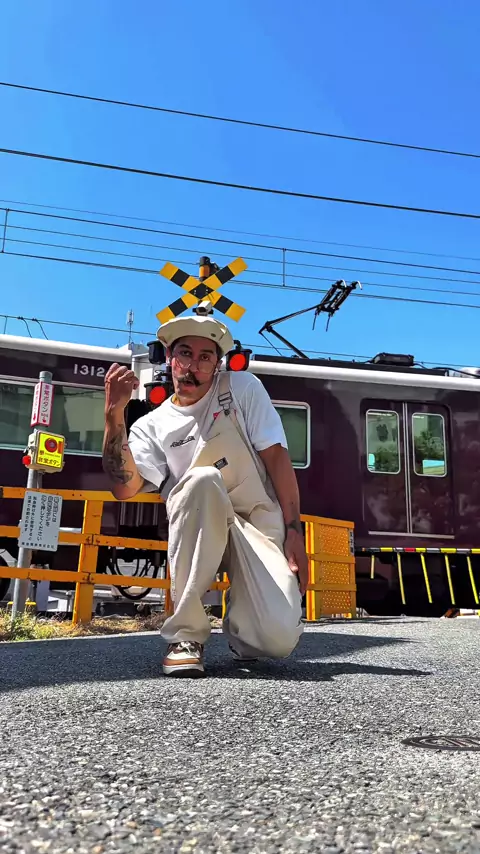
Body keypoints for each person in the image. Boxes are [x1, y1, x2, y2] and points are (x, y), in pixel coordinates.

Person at [102, 314, 308, 677]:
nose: (193, 366)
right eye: (185, 353)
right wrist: (113, 414)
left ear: (218, 363)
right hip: (198, 523)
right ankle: (185, 636)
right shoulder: (151, 426)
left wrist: (294, 531)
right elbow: (124, 487)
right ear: (170, 358)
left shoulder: (242, 389)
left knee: (276, 641)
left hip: (255, 525)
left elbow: (277, 458)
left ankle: (243, 632)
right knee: (202, 478)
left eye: (205, 357)